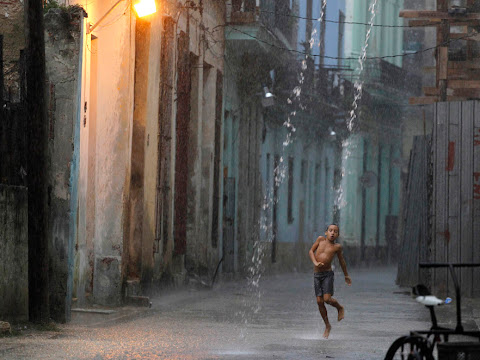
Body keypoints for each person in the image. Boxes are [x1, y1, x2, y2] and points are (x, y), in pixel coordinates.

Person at [308, 224, 352, 339]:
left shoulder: (337, 247)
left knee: (327, 299)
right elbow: (311, 252)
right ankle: (327, 326)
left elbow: (342, 261)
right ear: (326, 232)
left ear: (338, 235)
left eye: (335, 231)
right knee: (319, 301)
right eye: (330, 230)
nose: (333, 233)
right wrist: (315, 263)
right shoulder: (320, 240)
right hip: (317, 274)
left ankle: (339, 307)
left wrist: (346, 275)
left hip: (327, 274)